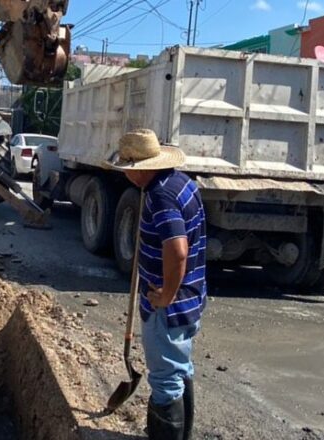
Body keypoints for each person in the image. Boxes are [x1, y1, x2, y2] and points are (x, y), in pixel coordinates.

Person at [108, 129, 207, 440]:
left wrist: (166, 294)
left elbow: (177, 249)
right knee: (181, 370)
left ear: (142, 168)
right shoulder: (181, 183)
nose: (126, 172)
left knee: (166, 381)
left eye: (128, 166)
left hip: (170, 307)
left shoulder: (160, 196)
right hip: (191, 298)